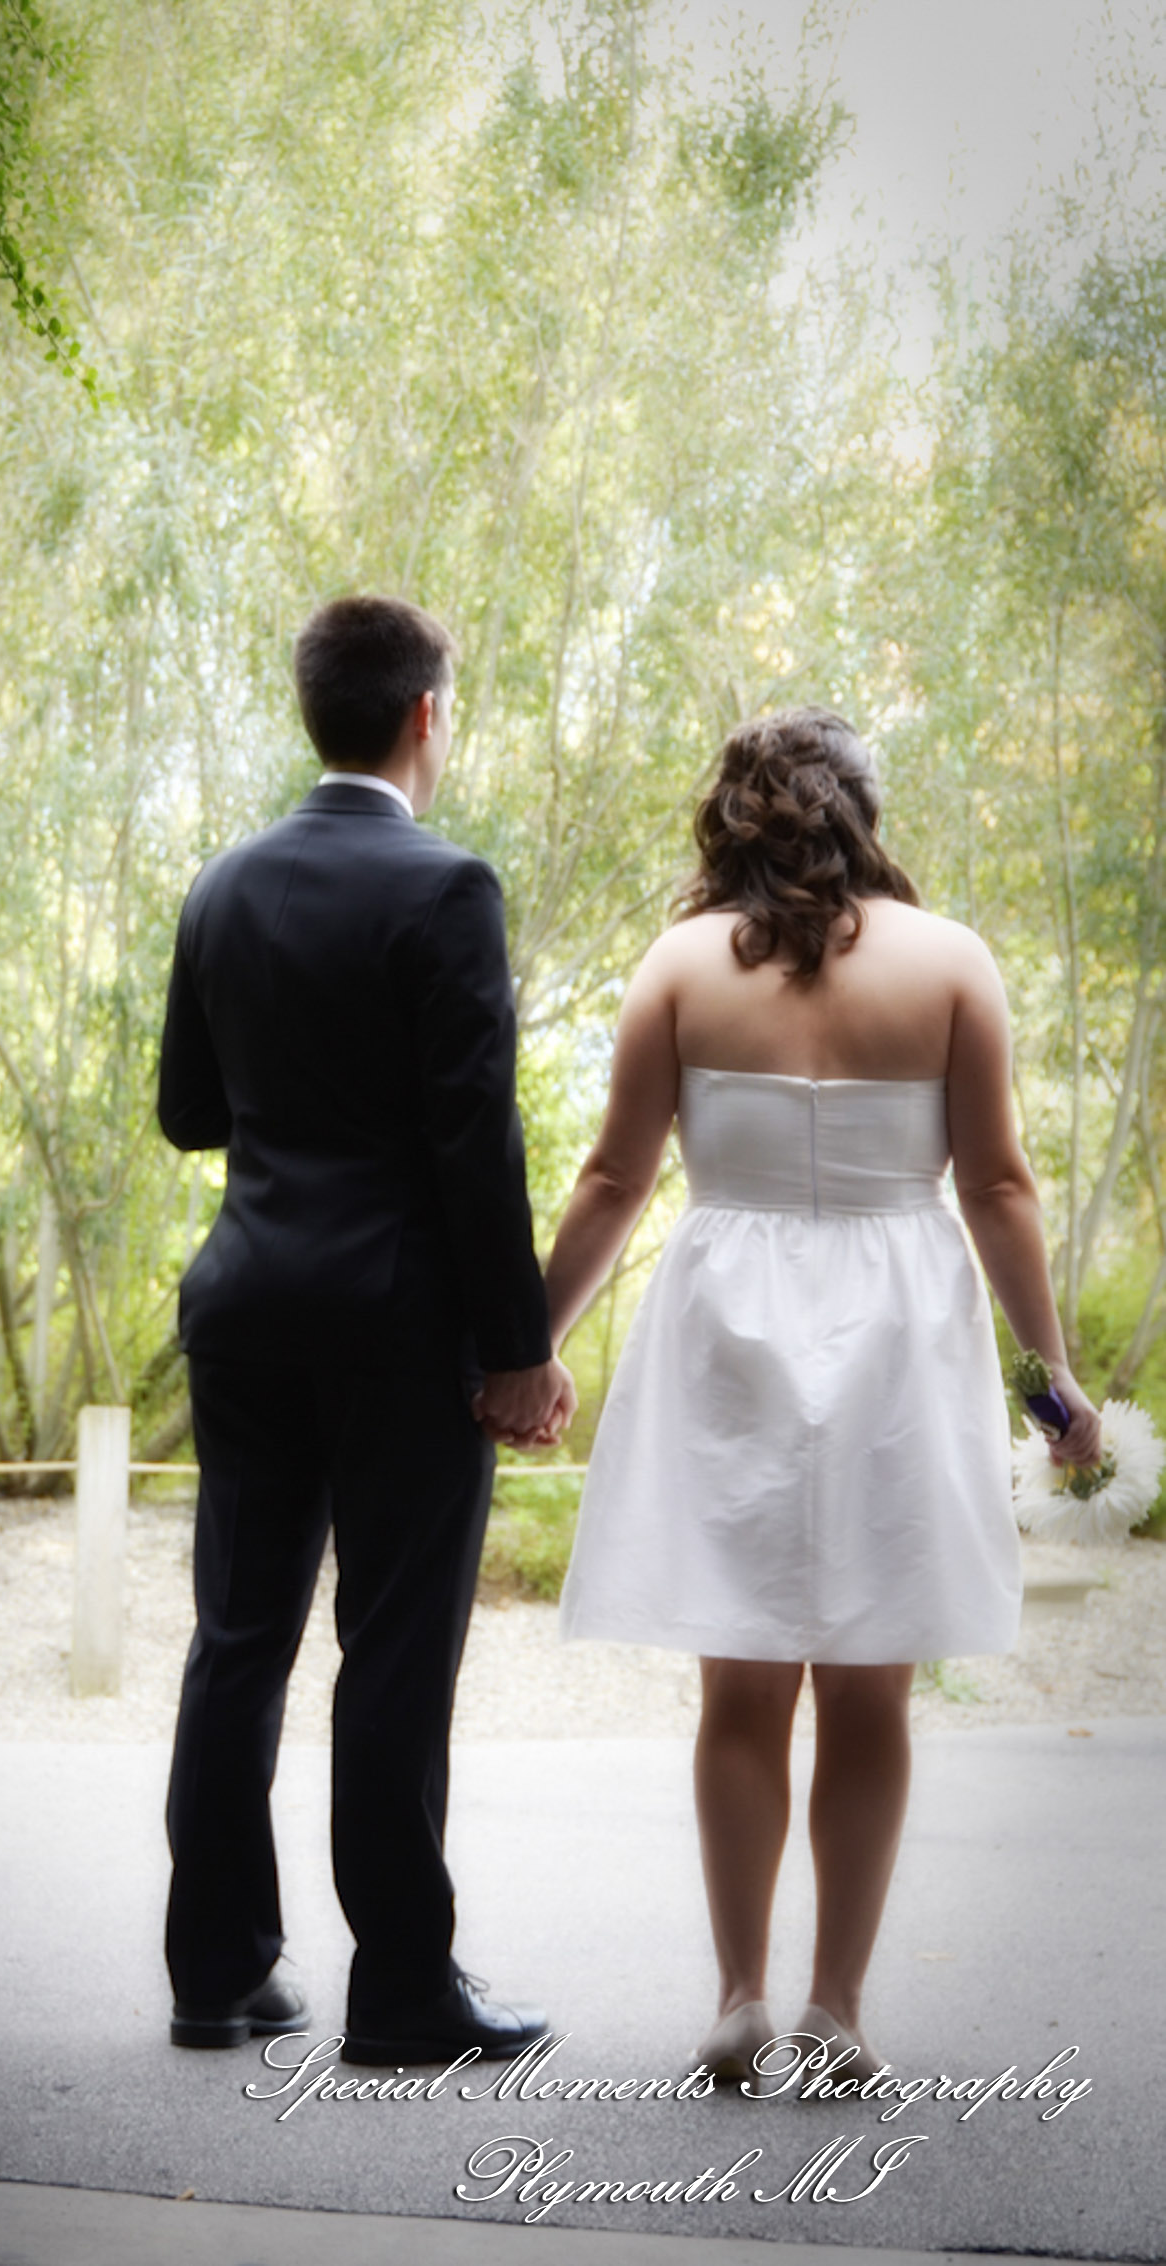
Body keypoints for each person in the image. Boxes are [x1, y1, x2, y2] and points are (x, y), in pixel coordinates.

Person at [542, 705, 1101, 2085]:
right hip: (901, 1328)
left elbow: (612, 1183)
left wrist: (521, 1342)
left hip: (728, 1317)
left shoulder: (678, 966)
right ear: (865, 810)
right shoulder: (951, 961)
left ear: (727, 815)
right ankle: (836, 2008)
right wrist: (1051, 1383)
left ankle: (737, 1995)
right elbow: (998, 1188)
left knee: (739, 1687)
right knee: (871, 1690)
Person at [157, 593, 575, 2062]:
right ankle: (399, 1987)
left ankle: (215, 1968)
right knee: (393, 1647)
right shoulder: (448, 886)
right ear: (424, 717)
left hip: (248, 1300)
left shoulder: (222, 884)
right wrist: (519, 1346)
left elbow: (187, 1114)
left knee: (238, 1633)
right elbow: (478, 1138)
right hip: (400, 1320)